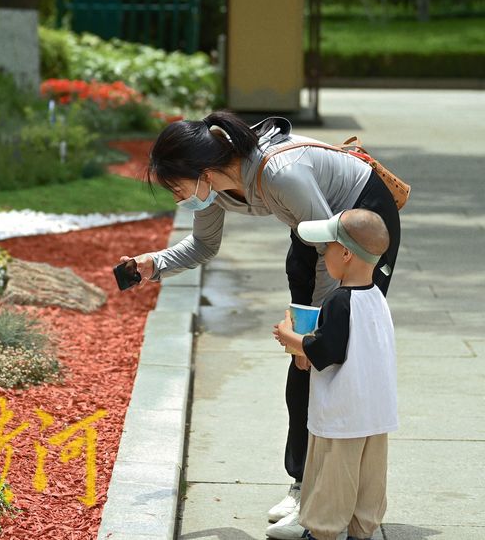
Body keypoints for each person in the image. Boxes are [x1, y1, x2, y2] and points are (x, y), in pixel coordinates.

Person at [120, 111, 401, 540]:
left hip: (359, 226)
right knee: (302, 363)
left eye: (177, 188)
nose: (179, 199)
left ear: (202, 172)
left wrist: (318, 335)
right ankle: (303, 483)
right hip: (314, 231)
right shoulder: (213, 187)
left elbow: (332, 251)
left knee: (332, 358)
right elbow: (202, 245)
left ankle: (328, 499)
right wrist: (153, 264)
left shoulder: (281, 174)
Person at [273, 209, 398, 540]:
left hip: (343, 416)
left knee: (332, 479)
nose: (322, 253)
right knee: (370, 481)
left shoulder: (339, 301)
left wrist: (292, 338)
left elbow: (326, 352)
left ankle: (323, 531)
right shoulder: (376, 298)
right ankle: (362, 530)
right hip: (376, 414)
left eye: (326, 247)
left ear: (345, 253)